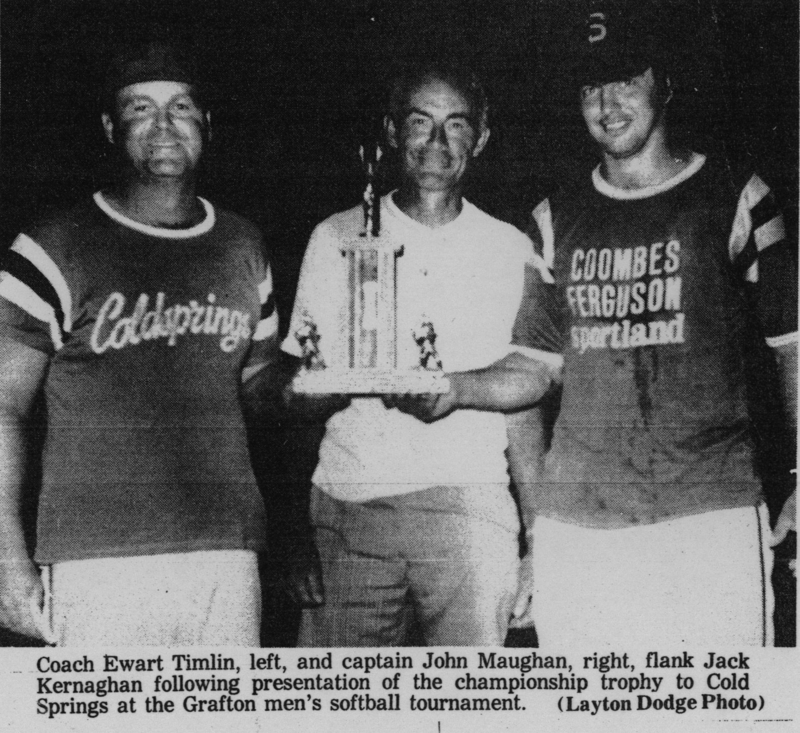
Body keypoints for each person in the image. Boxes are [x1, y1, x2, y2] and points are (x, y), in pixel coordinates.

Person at [507, 3, 797, 645]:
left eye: (625, 79)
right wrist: (534, 528)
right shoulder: (553, 217)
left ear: (663, 82)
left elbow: (793, 346)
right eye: (589, 86)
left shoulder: (737, 195)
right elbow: (525, 382)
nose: (607, 103)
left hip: (709, 517)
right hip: (580, 529)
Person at [0, 42, 283, 645]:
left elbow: (260, 391)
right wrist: (6, 560)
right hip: (98, 558)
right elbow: (3, 406)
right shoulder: (52, 243)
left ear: (207, 123)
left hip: (226, 551)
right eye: (139, 109)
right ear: (110, 127)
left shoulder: (242, 242)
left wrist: (331, 380)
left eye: (180, 107)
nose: (163, 127)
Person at [282, 62, 544, 646]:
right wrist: (294, 532)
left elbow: (523, 402)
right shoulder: (336, 236)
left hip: (472, 515)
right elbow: (303, 388)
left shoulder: (511, 248)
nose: (436, 143)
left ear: (480, 138)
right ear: (392, 132)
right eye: (420, 123)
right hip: (349, 510)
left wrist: (537, 540)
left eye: (455, 126)